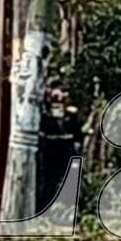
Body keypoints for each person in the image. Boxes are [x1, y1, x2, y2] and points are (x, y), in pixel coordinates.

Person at [37, 79, 82, 212]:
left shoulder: (70, 112)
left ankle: (66, 210)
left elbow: (77, 133)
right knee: (48, 182)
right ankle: (44, 209)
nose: (62, 95)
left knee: (67, 181)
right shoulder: (44, 110)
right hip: (49, 151)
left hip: (66, 150)